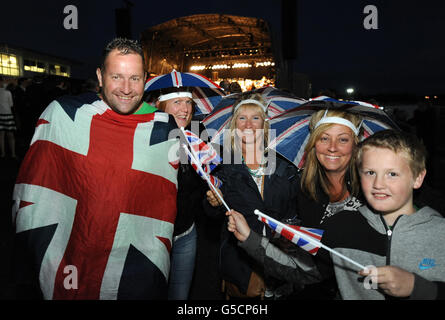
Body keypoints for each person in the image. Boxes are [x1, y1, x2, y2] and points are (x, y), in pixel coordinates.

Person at [12, 38, 179, 300]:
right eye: (117, 77)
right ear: (100, 76)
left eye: (135, 78)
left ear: (146, 78)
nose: (126, 88)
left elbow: (165, 195)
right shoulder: (65, 115)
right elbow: (37, 185)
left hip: (132, 257)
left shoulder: (163, 127)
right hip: (76, 250)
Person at [227, 129, 445, 299]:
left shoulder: (439, 232)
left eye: (392, 174)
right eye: (370, 172)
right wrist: (250, 238)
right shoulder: (342, 226)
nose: (379, 184)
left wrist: (418, 288)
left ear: (418, 178)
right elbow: (300, 270)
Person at [204, 93, 299, 299]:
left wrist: (290, 232)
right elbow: (212, 216)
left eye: (255, 118)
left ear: (264, 125)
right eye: (242, 118)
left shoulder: (284, 165)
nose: (248, 124)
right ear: (234, 126)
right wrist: (213, 201)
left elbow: (295, 209)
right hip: (242, 262)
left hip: (280, 259)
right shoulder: (223, 165)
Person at [154, 87, 208, 300]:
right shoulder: (147, 135)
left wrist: (211, 195)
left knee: (179, 296)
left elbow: (205, 183)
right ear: (161, 106)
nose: (185, 109)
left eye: (188, 102)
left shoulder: (197, 133)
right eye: (176, 102)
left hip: (186, 232)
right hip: (154, 235)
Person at [0, 76, 17, 158]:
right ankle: (13, 153)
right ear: (2, 82)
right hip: (8, 114)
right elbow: (11, 104)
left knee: (1, 136)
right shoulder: (7, 92)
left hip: (0, 115)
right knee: (10, 135)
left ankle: (3, 153)